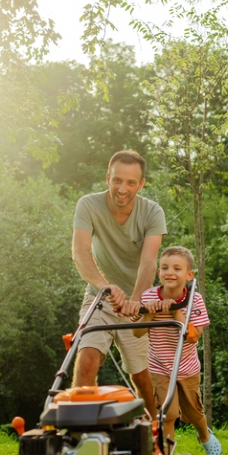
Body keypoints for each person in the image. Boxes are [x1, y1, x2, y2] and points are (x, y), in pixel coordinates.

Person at [71, 150, 165, 417]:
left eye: (131, 183)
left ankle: (152, 431)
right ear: (107, 178)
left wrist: (136, 300)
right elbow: (80, 252)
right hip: (100, 298)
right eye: (117, 180)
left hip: (137, 302)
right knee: (87, 359)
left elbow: (149, 262)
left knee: (142, 378)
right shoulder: (88, 205)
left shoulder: (152, 212)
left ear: (141, 184)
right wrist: (105, 287)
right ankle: (80, 430)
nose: (122, 189)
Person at [136, 245, 221, 455]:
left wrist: (175, 310)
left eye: (177, 268)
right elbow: (137, 333)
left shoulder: (194, 299)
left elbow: (192, 337)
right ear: (159, 273)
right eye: (165, 268)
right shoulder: (148, 297)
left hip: (187, 366)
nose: (170, 272)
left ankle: (204, 435)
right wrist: (149, 314)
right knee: (167, 414)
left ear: (189, 275)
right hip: (158, 367)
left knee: (193, 412)